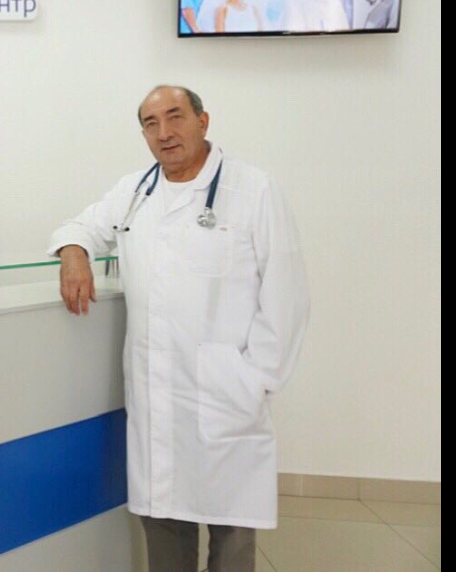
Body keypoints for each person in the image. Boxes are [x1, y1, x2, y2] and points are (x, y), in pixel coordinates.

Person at [49, 86, 310, 572]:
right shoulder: (135, 190)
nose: (164, 132)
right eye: (151, 123)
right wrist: (74, 254)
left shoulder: (253, 189)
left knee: (232, 528)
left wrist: (256, 380)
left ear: (203, 121)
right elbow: (78, 227)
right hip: (157, 395)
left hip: (227, 392)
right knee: (164, 522)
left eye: (175, 117)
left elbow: (287, 296)